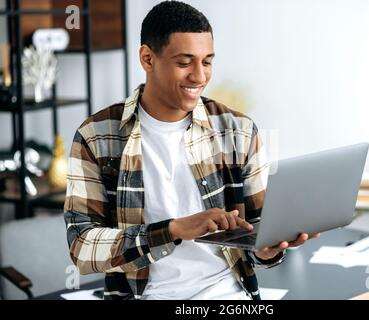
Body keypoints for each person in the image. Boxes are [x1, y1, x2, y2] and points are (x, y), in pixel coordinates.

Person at [64, 0, 318, 300]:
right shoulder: (97, 136)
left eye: (207, 61)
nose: (199, 76)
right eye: (184, 62)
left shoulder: (237, 131)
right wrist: (173, 230)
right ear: (147, 58)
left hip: (230, 297)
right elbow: (82, 248)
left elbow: (258, 239)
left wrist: (269, 248)